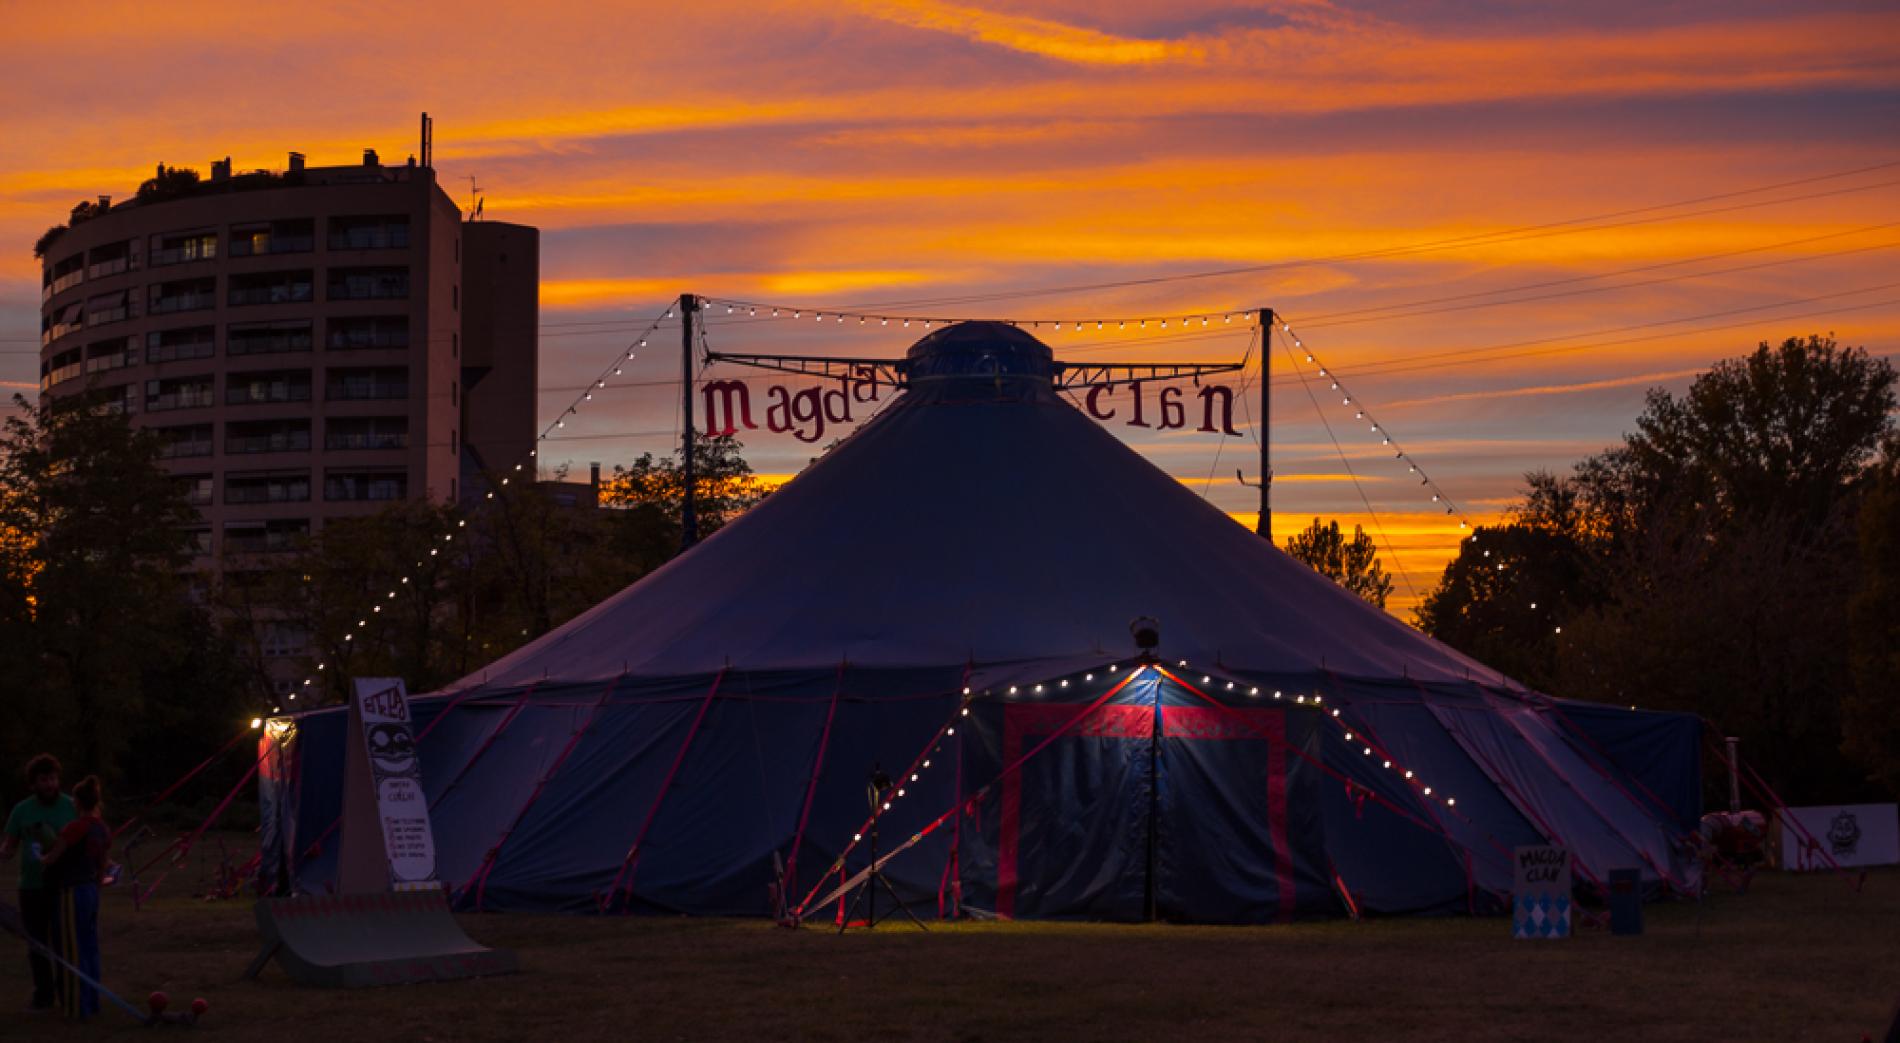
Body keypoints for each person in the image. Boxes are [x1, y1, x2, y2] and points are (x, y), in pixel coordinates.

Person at [0, 754, 75, 1012]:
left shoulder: (71, 806)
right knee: (37, 944)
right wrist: (4, 853)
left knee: (64, 942)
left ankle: (69, 995)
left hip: (63, 887)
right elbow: (9, 847)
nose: (50, 784)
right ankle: (43, 996)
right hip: (31, 888)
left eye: (53, 779)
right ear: (33, 784)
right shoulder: (22, 810)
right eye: (44, 780)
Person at [39, 775, 108, 1021]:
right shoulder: (101, 828)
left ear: (76, 802)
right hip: (90, 890)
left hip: (72, 892)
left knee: (71, 949)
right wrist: (96, 887)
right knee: (89, 948)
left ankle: (77, 1007)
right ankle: (92, 1001)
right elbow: (103, 866)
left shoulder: (75, 827)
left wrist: (40, 855)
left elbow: (52, 858)